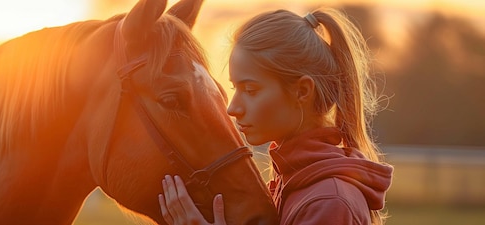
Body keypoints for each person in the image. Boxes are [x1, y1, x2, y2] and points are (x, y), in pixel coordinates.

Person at [158, 7, 394, 225]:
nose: (232, 109)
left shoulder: (328, 202)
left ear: (302, 91)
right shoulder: (291, 180)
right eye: (234, 89)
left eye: (250, 90)